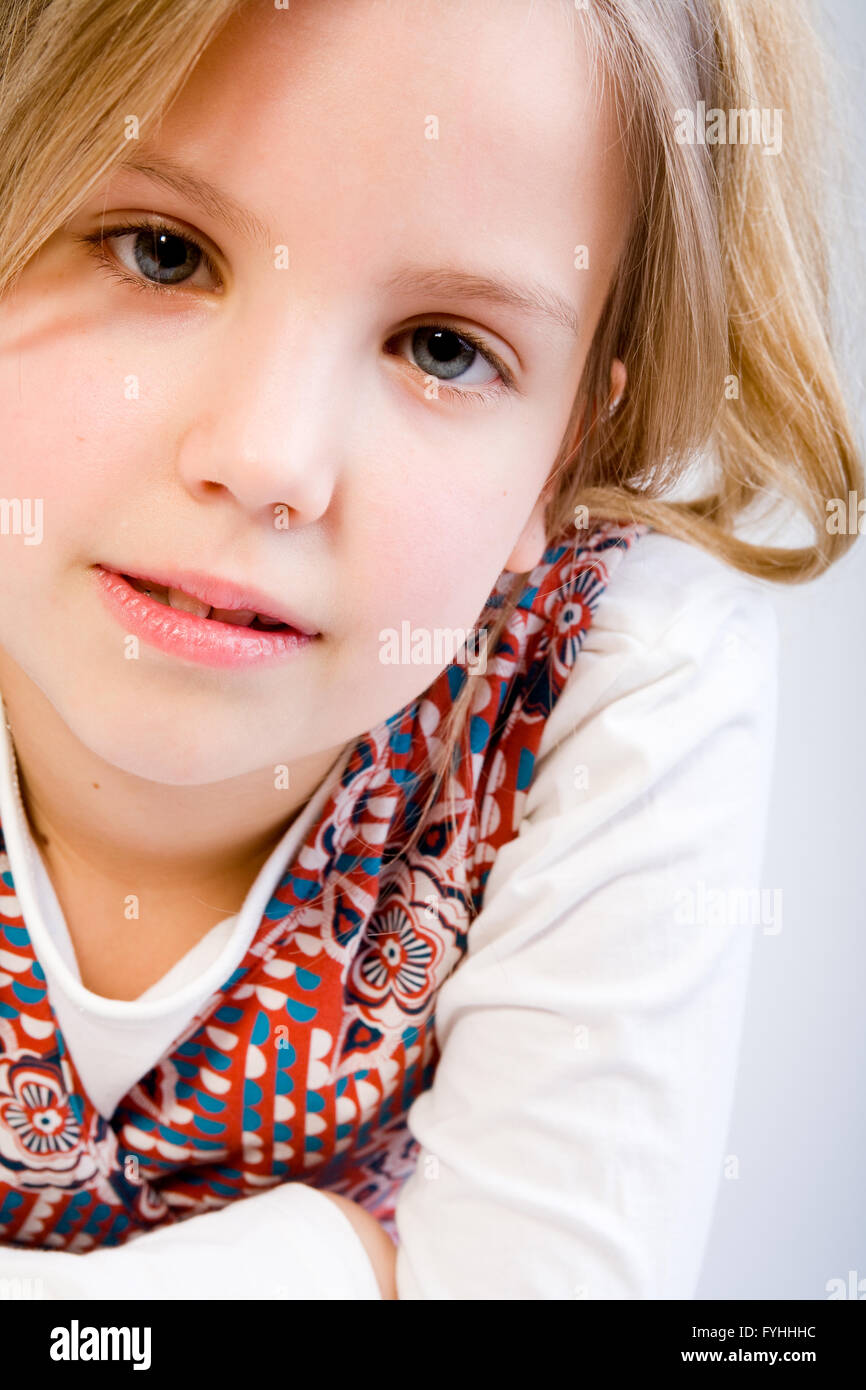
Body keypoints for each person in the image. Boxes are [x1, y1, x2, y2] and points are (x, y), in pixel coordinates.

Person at [0, 0, 860, 1299]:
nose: (267, 459)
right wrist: (332, 1264)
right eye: (162, 252)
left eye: (443, 348)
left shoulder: (611, 676)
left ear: (560, 453)